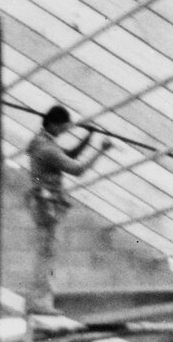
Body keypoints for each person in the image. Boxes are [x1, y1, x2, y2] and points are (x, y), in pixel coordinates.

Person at [25, 104, 110, 315]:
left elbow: (69, 154)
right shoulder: (46, 148)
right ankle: (40, 302)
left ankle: (39, 301)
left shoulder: (41, 143)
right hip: (47, 205)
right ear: (53, 125)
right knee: (47, 254)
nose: (64, 132)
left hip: (42, 204)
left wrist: (88, 139)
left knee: (45, 253)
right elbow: (77, 169)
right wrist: (101, 150)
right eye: (63, 128)